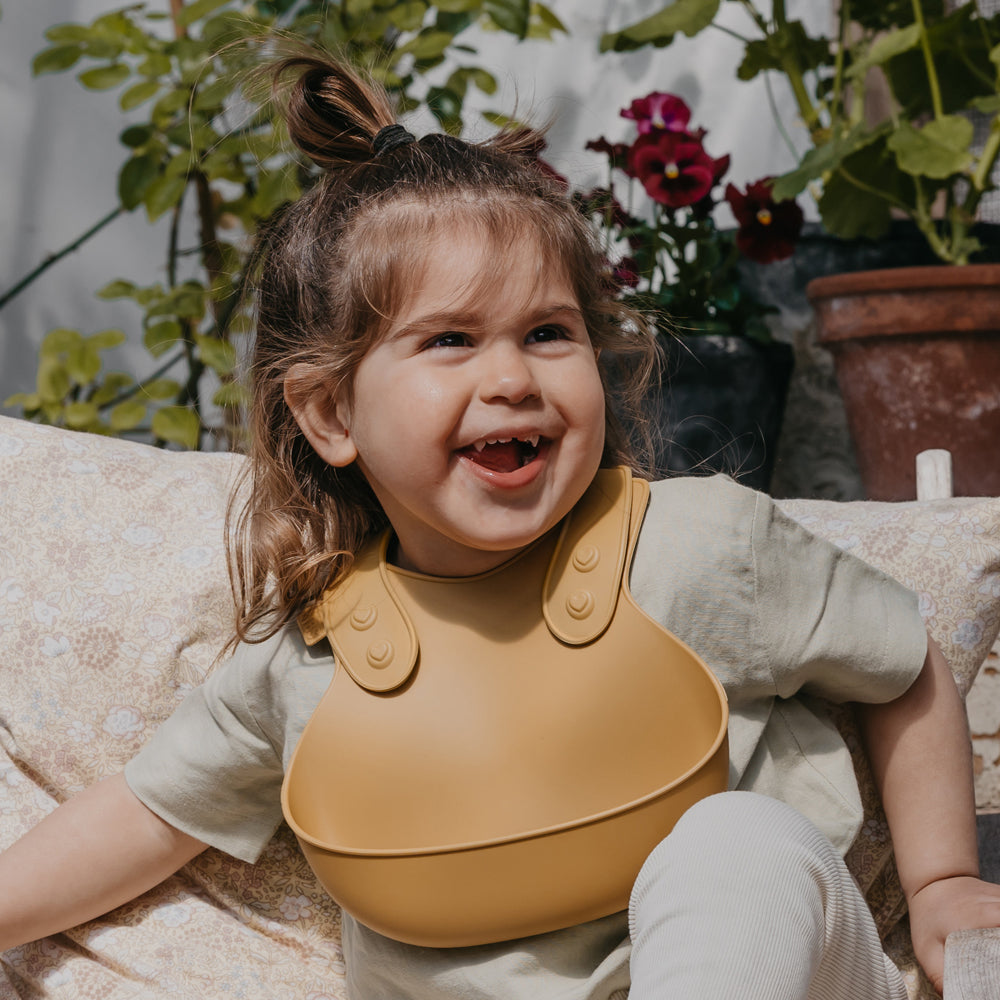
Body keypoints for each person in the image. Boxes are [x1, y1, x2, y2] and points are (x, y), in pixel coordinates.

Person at [1, 53, 999, 1000]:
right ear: (331, 414)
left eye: (548, 332)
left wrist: (943, 883)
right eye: (450, 339)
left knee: (735, 844)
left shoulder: (698, 549)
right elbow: (145, 814)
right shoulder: (307, 658)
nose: (513, 376)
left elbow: (903, 662)